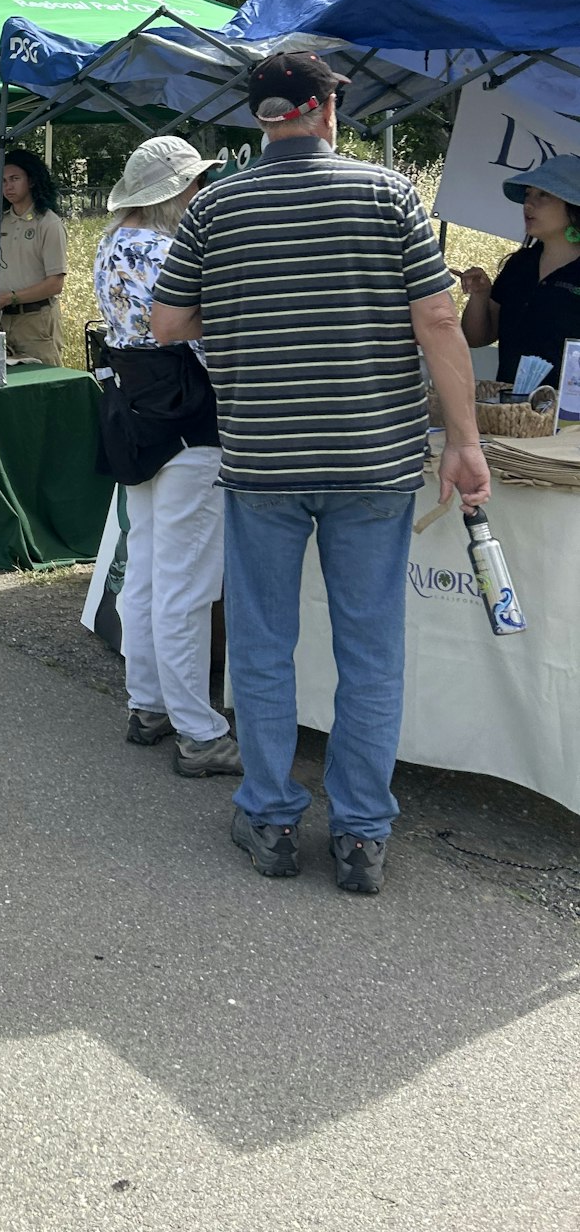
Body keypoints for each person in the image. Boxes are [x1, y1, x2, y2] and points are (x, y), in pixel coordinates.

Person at [152, 52, 490, 896]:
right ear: (323, 109)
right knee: (371, 649)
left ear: (262, 117)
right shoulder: (386, 195)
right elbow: (441, 321)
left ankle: (268, 817)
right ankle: (361, 837)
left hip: (263, 458)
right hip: (371, 460)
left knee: (264, 645)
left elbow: (165, 323)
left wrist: (240, 306)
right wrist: (465, 438)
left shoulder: (217, 204)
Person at [93, 137, 239, 779]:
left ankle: (149, 703)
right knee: (185, 579)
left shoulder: (110, 244)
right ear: (173, 193)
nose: (200, 197)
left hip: (136, 410)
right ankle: (198, 731)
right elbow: (190, 333)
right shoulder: (167, 249)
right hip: (186, 413)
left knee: (150, 564)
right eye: (194, 187)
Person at [459, 155, 580, 388]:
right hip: (510, 413)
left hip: (569, 419)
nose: (528, 204)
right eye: (527, 194)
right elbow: (476, 338)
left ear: (573, 204)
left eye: (543, 194)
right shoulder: (520, 264)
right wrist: (480, 295)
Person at [0, 148, 68, 366]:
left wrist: (9, 297)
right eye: (3, 181)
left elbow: (55, 284)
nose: (8, 186)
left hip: (36, 323)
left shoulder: (49, 223)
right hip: (2, 321)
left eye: (15, 179)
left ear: (32, 181)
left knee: (42, 387)